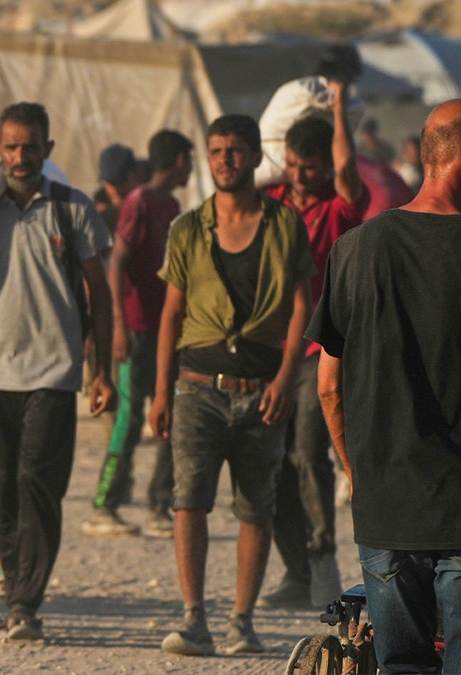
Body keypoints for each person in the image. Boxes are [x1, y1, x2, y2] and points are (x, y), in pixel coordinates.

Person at [148, 114, 314, 656]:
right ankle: (195, 618)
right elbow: (170, 315)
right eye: (216, 150)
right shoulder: (188, 228)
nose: (225, 159)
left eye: (236, 150)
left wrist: (287, 379)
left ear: (254, 158)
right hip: (197, 386)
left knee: (256, 508)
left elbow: (300, 308)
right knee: (188, 502)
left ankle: (241, 621)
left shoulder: (285, 224)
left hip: (261, 388)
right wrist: (160, 392)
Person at [0, 102, 116, 640]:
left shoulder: (72, 208)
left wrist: (101, 370)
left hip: (53, 371)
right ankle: (16, 589)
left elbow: (99, 293)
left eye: (30, 146)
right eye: (11, 146)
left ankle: (24, 601)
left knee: (37, 483)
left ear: (47, 150)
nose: (20, 156)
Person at [308, 99, 461, 674]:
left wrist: (356, 470)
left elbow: (329, 386)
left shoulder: (354, 250)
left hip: (387, 510)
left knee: (400, 665)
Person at [258, 81, 367, 612]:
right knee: (272, 459)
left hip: (315, 350)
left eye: (311, 166)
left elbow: (348, 173)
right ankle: (294, 569)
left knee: (306, 449)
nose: (301, 175)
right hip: (268, 350)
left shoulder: (340, 209)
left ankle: (322, 557)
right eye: (294, 165)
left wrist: (341, 108)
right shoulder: (271, 203)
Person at [81, 130, 193, 539]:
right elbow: (116, 264)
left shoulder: (171, 204)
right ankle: (103, 506)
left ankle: (159, 505)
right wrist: (118, 328)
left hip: (165, 328)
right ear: (180, 160)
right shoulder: (139, 202)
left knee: (173, 416)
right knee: (128, 419)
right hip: (136, 328)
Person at [93, 143, 144, 234]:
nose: (116, 189)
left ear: (136, 177)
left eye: (120, 181)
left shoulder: (147, 205)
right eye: (111, 182)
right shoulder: (100, 209)